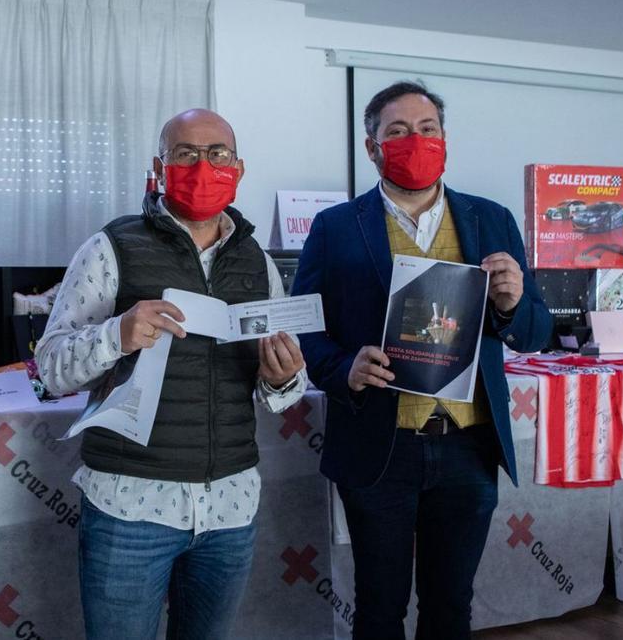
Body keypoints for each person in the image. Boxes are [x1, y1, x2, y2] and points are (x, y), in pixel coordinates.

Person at [290, 81, 551, 639]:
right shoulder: (335, 228)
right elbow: (304, 333)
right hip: (379, 449)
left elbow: (535, 331)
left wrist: (508, 304)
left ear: (445, 139)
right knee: (380, 608)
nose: (416, 140)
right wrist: (345, 370)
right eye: (398, 131)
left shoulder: (492, 220)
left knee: (451, 605)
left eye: (427, 129)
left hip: (468, 446)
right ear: (372, 147)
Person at [35, 108, 307, 640]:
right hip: (129, 507)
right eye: (185, 153)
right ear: (160, 167)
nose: (203, 165)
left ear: (240, 168)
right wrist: (116, 334)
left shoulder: (259, 262)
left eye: (218, 154)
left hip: (229, 509)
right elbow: (50, 369)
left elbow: (280, 392)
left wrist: (282, 378)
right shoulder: (110, 248)